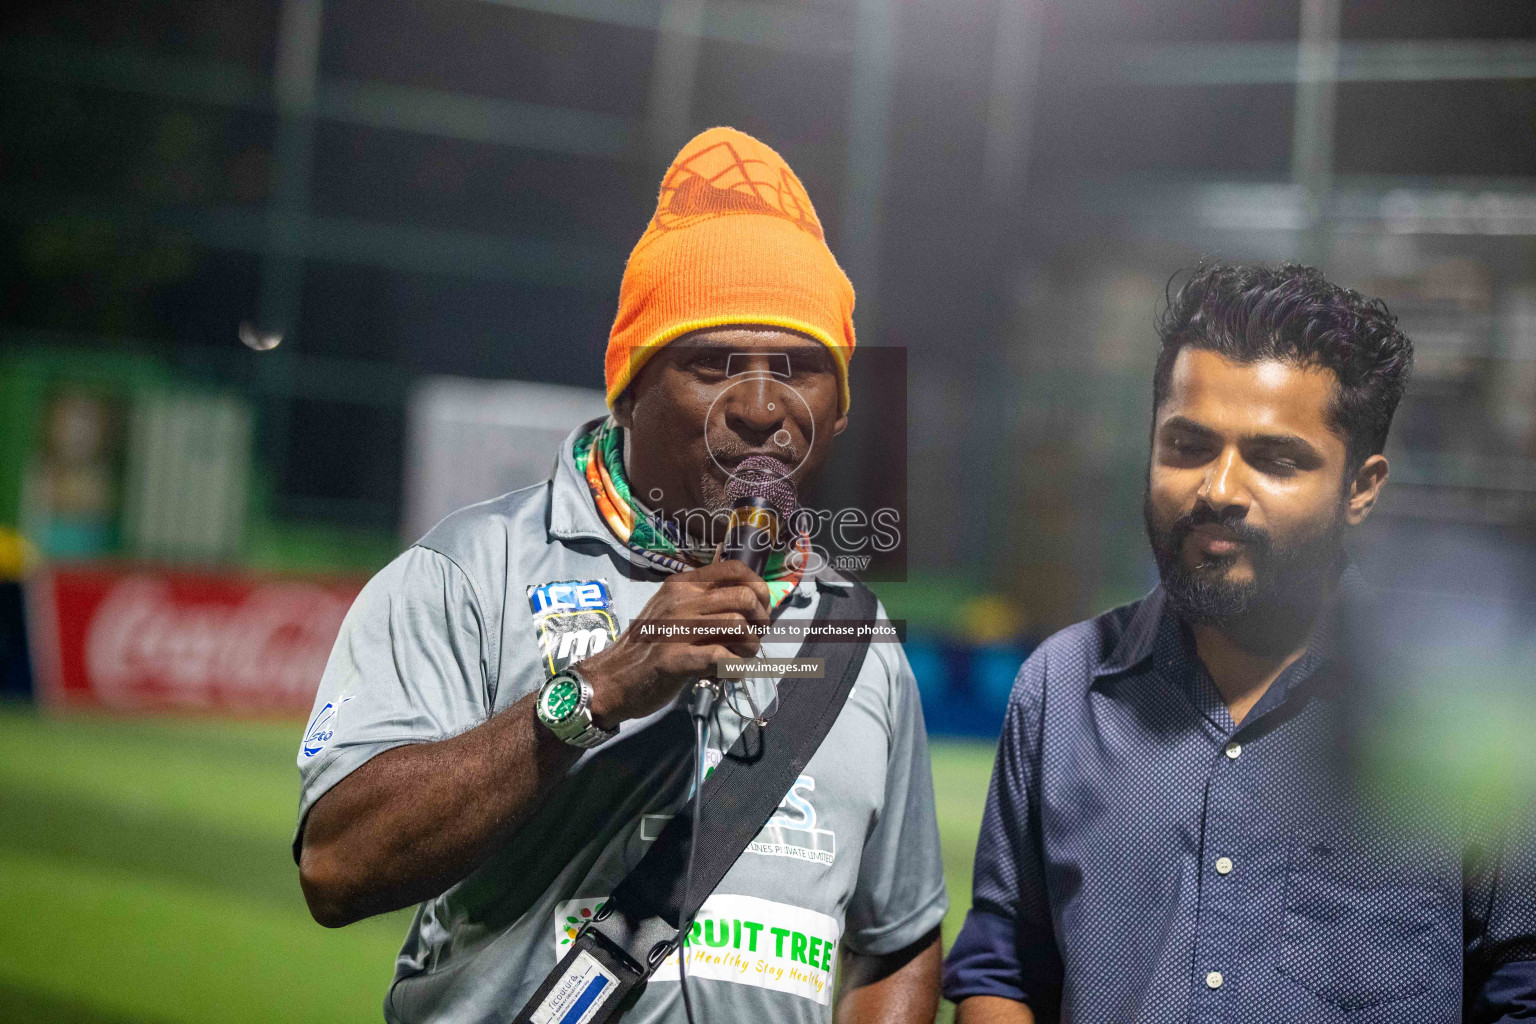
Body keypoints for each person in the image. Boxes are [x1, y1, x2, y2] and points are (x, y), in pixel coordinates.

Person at [294, 126, 946, 1024]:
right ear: (630, 387)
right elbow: (336, 867)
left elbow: (897, 940)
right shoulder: (471, 572)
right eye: (714, 364)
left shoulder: (860, 642)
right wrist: (597, 690)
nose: (760, 408)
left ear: (835, 414)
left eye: (798, 369)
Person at [943, 262, 1536, 1023]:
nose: (1218, 488)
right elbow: (1003, 969)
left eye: (1275, 458)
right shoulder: (1061, 690)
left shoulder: (1452, 712)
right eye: (1188, 445)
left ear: (1362, 487)